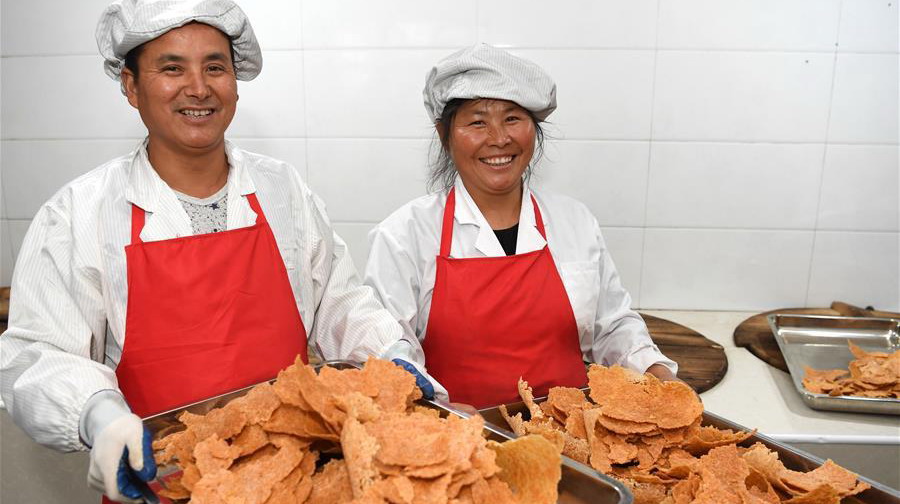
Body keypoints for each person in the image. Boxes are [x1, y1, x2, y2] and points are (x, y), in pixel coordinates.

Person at [0, 1, 433, 502]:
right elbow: (39, 354)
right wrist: (97, 413)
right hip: (161, 482)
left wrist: (388, 351)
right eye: (172, 68)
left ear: (235, 81)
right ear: (131, 86)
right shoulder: (80, 212)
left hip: (297, 478)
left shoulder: (283, 189)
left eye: (214, 67)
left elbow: (339, 302)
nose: (198, 88)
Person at [365, 43, 679, 410]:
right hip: (457, 433)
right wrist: (430, 405)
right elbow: (390, 349)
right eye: (477, 122)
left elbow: (611, 326)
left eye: (513, 118)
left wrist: (654, 369)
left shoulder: (574, 221)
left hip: (572, 433)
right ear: (443, 134)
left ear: (534, 129)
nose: (499, 138)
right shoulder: (405, 235)